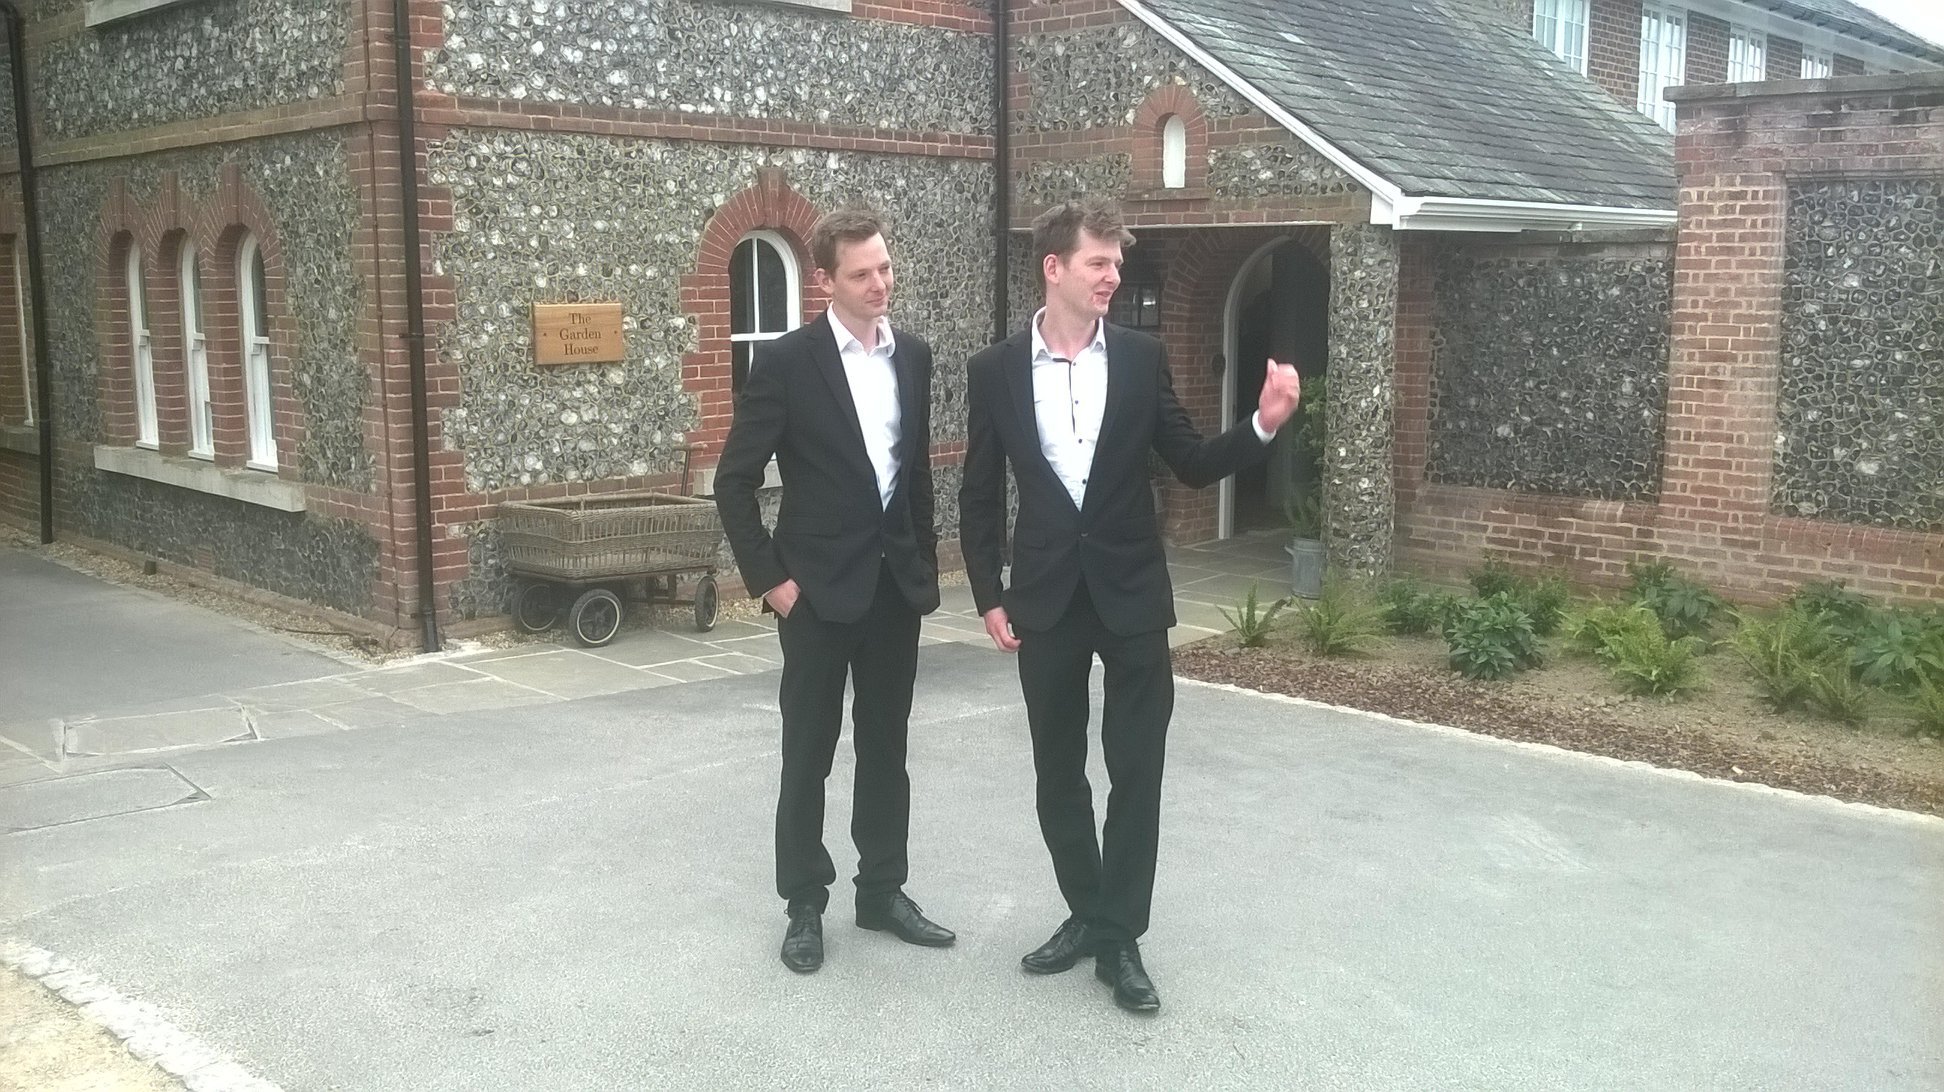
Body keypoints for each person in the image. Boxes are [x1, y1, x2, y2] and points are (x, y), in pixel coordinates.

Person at [958, 198, 1301, 1012]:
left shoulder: (1143, 358)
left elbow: (1186, 461)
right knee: (1057, 774)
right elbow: (977, 494)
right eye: (1099, 262)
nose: (1115, 275)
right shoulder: (996, 370)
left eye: (1117, 262)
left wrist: (1261, 424)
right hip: (1043, 596)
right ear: (1055, 267)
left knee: (1136, 771)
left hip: (1133, 595)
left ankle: (1121, 939)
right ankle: (1087, 910)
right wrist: (986, 593)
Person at [714, 206, 954, 974]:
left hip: (892, 594)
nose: (880, 283)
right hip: (813, 597)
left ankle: (883, 892)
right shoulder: (787, 363)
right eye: (862, 274)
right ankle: (805, 904)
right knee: (808, 752)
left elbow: (912, 473)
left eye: (885, 267)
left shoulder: (912, 357)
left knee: (888, 748)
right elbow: (734, 483)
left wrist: (924, 565)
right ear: (826, 280)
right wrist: (773, 583)